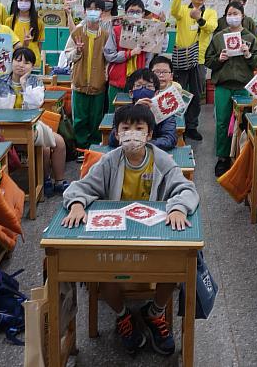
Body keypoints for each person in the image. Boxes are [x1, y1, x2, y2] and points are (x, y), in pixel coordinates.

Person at [61, 103, 199, 357]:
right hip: (115, 234)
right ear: (116, 133)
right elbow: (80, 187)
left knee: (174, 265)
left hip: (153, 233)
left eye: (139, 129)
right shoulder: (110, 160)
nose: (132, 134)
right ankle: (123, 316)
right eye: (126, 128)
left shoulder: (161, 159)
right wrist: (78, 204)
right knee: (101, 268)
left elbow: (186, 189)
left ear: (149, 135)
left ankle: (154, 313)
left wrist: (178, 208)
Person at [0, 48, 67, 195]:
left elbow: (35, 105)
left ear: (32, 66)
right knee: (45, 147)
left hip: (30, 126)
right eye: (17, 60)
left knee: (59, 143)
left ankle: (58, 182)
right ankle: (44, 179)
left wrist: (24, 84)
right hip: (1, 129)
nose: (21, 65)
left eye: (26, 62)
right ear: (11, 61)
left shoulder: (35, 82)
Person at [204, 2, 257, 176]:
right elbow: (208, 60)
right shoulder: (218, 37)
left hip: (243, 87)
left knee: (243, 123)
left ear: (242, 16)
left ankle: (240, 157)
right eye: (229, 13)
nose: (232, 16)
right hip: (223, 86)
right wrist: (219, 59)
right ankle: (222, 158)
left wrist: (248, 55)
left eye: (235, 13)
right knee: (222, 123)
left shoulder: (250, 38)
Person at [170, 0, 218, 141]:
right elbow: (174, 11)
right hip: (181, 58)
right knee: (178, 93)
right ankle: (176, 127)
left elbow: (211, 27)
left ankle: (192, 127)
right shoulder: (183, 9)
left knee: (196, 95)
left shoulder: (210, 12)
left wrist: (200, 19)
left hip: (199, 59)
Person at [64, 4, 109, 152]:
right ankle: (81, 149)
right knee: (80, 119)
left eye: (96, 9)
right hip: (79, 83)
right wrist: (77, 51)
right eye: (90, 9)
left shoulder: (106, 35)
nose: (93, 12)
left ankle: (95, 149)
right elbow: (68, 55)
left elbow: (109, 59)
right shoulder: (77, 32)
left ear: (101, 13)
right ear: (85, 12)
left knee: (96, 118)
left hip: (98, 84)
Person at [108, 69, 177, 152]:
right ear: (131, 93)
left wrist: (141, 144)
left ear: (156, 93)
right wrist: (134, 112)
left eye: (149, 86)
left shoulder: (165, 114)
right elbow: (112, 140)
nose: (143, 89)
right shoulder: (121, 112)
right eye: (138, 86)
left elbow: (169, 140)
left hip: (155, 153)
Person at [104, 0, 153, 111]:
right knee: (115, 114)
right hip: (117, 81)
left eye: (138, 11)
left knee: (137, 113)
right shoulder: (116, 30)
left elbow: (150, 57)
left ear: (143, 14)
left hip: (138, 82)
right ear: (125, 13)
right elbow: (109, 55)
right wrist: (129, 53)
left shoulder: (147, 32)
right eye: (131, 11)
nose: (134, 14)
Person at [8, 0, 45, 69]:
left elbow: (39, 45)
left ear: (31, 3)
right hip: (15, 61)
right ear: (16, 2)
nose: (23, 3)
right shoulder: (10, 20)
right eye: (21, 0)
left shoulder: (38, 22)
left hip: (33, 61)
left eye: (26, 0)